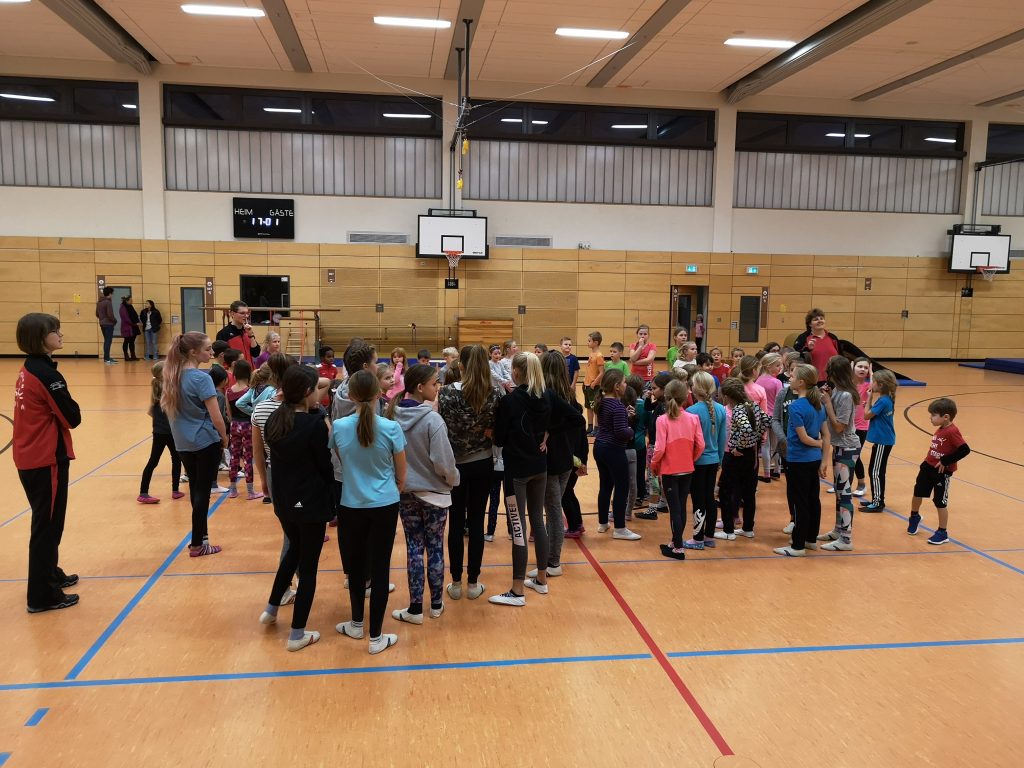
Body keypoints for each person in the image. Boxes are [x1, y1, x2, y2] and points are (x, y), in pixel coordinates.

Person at [257, 366, 333, 651]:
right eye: (316, 390)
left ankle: (271, 608)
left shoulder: (275, 419)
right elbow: (325, 465)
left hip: (283, 500)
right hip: (309, 502)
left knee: (293, 552)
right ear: (307, 392)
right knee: (308, 567)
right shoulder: (314, 425)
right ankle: (297, 633)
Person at [333, 370, 406, 654]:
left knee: (356, 567)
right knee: (380, 567)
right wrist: (392, 488)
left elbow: (342, 462)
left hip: (351, 505)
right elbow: (401, 471)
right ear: (379, 394)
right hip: (385, 504)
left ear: (350, 396)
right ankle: (376, 637)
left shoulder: (338, 426)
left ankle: (356, 624)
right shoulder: (391, 427)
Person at [14, 313, 82, 613]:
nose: (60, 335)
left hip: (30, 455)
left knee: (49, 522)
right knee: (47, 525)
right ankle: (41, 595)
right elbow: (72, 417)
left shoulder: (31, 366)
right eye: (55, 331)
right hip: (45, 459)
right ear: (40, 338)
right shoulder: (46, 375)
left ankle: (50, 573)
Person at [388, 364, 459, 624]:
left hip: (405, 492)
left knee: (414, 548)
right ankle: (436, 604)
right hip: (434, 495)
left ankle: (415, 608)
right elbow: (444, 463)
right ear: (420, 387)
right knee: (435, 547)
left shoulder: (390, 417)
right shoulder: (432, 420)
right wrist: (454, 479)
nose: (437, 387)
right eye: (434, 383)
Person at [438, 344, 502, 602]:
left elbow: (442, 428)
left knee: (455, 522)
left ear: (461, 366)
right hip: (482, 463)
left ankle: (455, 583)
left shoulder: (445, 393)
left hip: (455, 465)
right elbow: (498, 429)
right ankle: (473, 583)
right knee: (476, 522)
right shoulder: (494, 393)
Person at [490, 352, 552, 606]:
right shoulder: (545, 396)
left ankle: (517, 590)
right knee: (538, 521)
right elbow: (568, 418)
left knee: (518, 526)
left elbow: (499, 438)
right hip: (540, 467)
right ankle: (542, 579)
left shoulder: (510, 401)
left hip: (517, 471)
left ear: (515, 372)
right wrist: (546, 436)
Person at [162, 332, 228, 557]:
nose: (212, 352)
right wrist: (224, 437)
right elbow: (216, 416)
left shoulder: (172, 375)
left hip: (183, 443)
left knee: (195, 491)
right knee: (202, 494)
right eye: (208, 349)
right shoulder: (202, 378)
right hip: (204, 441)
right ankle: (198, 543)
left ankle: (202, 539)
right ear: (193, 352)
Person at [534, 350, 586, 578]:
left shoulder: (549, 397)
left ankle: (553, 562)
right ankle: (549, 559)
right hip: (565, 460)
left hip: (554, 461)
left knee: (553, 512)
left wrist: (549, 431)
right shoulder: (568, 395)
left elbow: (577, 421)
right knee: (552, 510)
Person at [773, 364, 827, 557]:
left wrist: (819, 443)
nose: (790, 379)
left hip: (798, 459)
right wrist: (823, 454)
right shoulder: (818, 404)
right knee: (813, 499)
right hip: (813, 460)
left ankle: (797, 546)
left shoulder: (796, 406)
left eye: (793, 376)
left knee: (799, 502)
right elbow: (826, 433)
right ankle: (810, 539)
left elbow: (804, 438)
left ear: (802, 382)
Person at [651, 379, 704, 560]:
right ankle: (675, 541)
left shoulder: (662, 420)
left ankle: (678, 548)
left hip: (670, 471)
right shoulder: (693, 418)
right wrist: (690, 459)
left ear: (666, 397)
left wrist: (654, 464)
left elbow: (659, 449)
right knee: (680, 507)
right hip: (687, 469)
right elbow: (701, 445)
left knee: (675, 509)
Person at [908, 398, 970, 545]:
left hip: (941, 472)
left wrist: (945, 461)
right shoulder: (942, 427)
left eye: (933, 415)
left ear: (946, 417)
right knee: (918, 492)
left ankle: (942, 532)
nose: (930, 418)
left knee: (940, 501)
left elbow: (965, 450)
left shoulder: (952, 431)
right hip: (928, 466)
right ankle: (914, 517)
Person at [714, 378, 770, 541]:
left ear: (727, 396)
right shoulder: (752, 405)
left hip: (736, 456)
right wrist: (756, 439)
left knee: (726, 491)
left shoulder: (738, 409)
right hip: (751, 455)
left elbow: (745, 429)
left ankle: (728, 530)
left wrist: (738, 446)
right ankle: (748, 528)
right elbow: (767, 420)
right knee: (749, 492)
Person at [815, 355, 862, 552]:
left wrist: (827, 403)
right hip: (839, 446)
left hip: (847, 447)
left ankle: (846, 538)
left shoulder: (846, 396)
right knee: (838, 491)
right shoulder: (836, 392)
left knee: (844, 493)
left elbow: (839, 426)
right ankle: (838, 530)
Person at [592, 368, 642, 541]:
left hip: (600, 446)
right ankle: (620, 528)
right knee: (622, 487)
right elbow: (621, 432)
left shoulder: (603, 402)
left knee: (605, 485)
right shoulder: (618, 406)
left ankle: (603, 523)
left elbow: (611, 422)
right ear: (616, 386)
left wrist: (624, 417)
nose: (626, 385)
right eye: (624, 382)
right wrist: (631, 430)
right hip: (613, 449)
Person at [684, 371, 727, 550]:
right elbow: (722, 439)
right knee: (709, 497)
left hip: (697, 462)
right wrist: (720, 460)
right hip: (713, 460)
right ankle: (709, 536)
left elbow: (690, 443)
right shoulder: (721, 409)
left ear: (695, 389)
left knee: (698, 500)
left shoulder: (691, 412)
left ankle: (697, 538)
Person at [138, 361, 184, 504]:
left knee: (153, 461)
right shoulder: (169, 391)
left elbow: (150, 412)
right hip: (170, 432)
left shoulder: (156, 391)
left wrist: (159, 421)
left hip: (158, 432)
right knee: (176, 459)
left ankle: (143, 492)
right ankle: (175, 490)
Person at [860, 370, 898, 512]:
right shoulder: (886, 398)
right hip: (884, 440)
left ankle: (878, 503)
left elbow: (866, 416)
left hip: (883, 440)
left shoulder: (883, 401)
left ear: (880, 385)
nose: (872, 384)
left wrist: (869, 398)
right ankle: (877, 499)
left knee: (875, 472)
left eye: (874, 382)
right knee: (876, 470)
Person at [226, 360, 262, 500]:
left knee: (234, 457)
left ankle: (233, 490)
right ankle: (250, 491)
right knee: (248, 458)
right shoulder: (250, 391)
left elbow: (229, 413)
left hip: (234, 425)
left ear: (234, 374)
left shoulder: (228, 391)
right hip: (248, 426)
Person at [756, 353, 784, 481]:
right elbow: (780, 401)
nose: (780, 368)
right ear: (768, 366)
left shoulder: (758, 380)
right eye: (777, 365)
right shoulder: (777, 382)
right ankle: (776, 471)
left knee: (765, 445)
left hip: (762, 417)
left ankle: (767, 473)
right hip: (774, 417)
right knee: (775, 445)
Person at [794, 308, 840, 385]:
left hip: (835, 381)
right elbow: (795, 358)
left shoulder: (832, 337)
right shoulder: (803, 338)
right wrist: (807, 349)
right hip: (813, 382)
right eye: (816, 319)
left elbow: (840, 357)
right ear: (810, 324)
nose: (819, 321)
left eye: (821, 318)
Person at [847, 357, 872, 497]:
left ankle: (861, 484)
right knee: (842, 455)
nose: (863, 369)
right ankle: (842, 484)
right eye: (860, 366)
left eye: (866, 367)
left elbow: (874, 385)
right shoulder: (849, 385)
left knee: (855, 455)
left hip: (861, 427)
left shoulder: (868, 386)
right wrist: (850, 370)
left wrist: (872, 373)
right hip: (847, 425)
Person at [216, 300, 260, 365]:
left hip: (249, 369)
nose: (246, 316)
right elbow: (221, 359)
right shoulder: (223, 334)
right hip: (234, 370)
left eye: (247, 313)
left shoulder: (248, 331)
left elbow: (256, 353)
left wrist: (251, 335)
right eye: (242, 313)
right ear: (232, 313)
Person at [583, 331, 605, 436]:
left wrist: (594, 382)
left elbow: (602, 372)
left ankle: (596, 428)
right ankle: (590, 426)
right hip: (587, 385)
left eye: (589, 341)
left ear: (595, 342)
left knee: (595, 407)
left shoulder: (599, 355)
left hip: (594, 386)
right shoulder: (591, 353)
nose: (587, 342)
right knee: (588, 406)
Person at [95, 286, 117, 365]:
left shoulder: (99, 302)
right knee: (108, 341)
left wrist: (102, 319)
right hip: (108, 324)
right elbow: (110, 314)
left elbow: (97, 314)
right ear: (110, 294)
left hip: (102, 324)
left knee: (106, 341)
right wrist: (115, 321)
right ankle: (107, 359)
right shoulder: (108, 302)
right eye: (112, 294)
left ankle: (107, 358)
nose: (112, 295)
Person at [119, 295, 141, 362]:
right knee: (126, 341)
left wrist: (138, 322)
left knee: (132, 341)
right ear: (126, 301)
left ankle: (133, 356)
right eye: (131, 300)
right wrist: (134, 324)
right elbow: (125, 318)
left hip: (133, 327)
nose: (132, 301)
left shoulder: (130, 306)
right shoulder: (122, 307)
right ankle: (126, 356)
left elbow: (135, 315)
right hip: (127, 327)